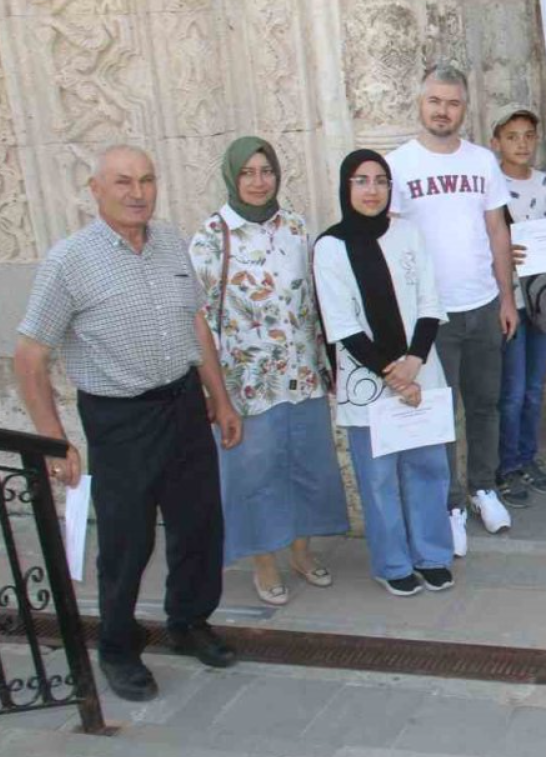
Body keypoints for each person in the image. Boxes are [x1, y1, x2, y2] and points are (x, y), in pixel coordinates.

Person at [15, 145, 241, 702]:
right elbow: (28, 356)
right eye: (122, 182)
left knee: (198, 524)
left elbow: (195, 321)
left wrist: (221, 396)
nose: (137, 192)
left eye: (146, 180)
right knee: (126, 539)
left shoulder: (168, 241)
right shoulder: (69, 261)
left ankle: (188, 622)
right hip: (121, 419)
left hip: (184, 405)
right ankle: (117, 645)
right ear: (95, 190)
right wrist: (53, 440)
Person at [186, 136, 349, 606]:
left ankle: (301, 551)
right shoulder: (211, 236)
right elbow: (198, 321)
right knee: (254, 475)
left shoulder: (295, 227)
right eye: (248, 173)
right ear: (232, 177)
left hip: (301, 374)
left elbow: (313, 304)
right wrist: (214, 392)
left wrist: (327, 363)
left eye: (266, 171)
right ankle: (263, 561)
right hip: (247, 383)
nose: (259, 182)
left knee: (307, 466)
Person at [386, 63, 518, 550]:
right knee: (441, 413)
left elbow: (497, 231)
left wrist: (507, 297)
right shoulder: (399, 165)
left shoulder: (483, 161)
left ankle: (484, 486)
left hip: (482, 305)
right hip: (430, 316)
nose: (443, 111)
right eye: (435, 101)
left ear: (465, 108)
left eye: (453, 102)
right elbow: (392, 245)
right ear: (421, 105)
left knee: (485, 405)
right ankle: (451, 504)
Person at [314, 149, 456, 598]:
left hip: (422, 370)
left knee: (428, 468)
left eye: (379, 180)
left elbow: (431, 302)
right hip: (368, 382)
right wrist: (394, 376)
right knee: (378, 480)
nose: (372, 190)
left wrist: (414, 363)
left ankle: (432, 555)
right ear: (345, 187)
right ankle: (392, 562)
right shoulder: (330, 247)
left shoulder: (408, 233)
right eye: (361, 181)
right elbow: (343, 327)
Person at [490, 108, 546, 504]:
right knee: (511, 391)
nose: (521, 144)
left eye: (528, 136)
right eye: (512, 136)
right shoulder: (489, 184)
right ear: (496, 142)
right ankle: (506, 466)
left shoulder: (545, 182)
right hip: (508, 300)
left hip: (540, 298)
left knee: (534, 387)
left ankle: (529, 457)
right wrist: (499, 251)